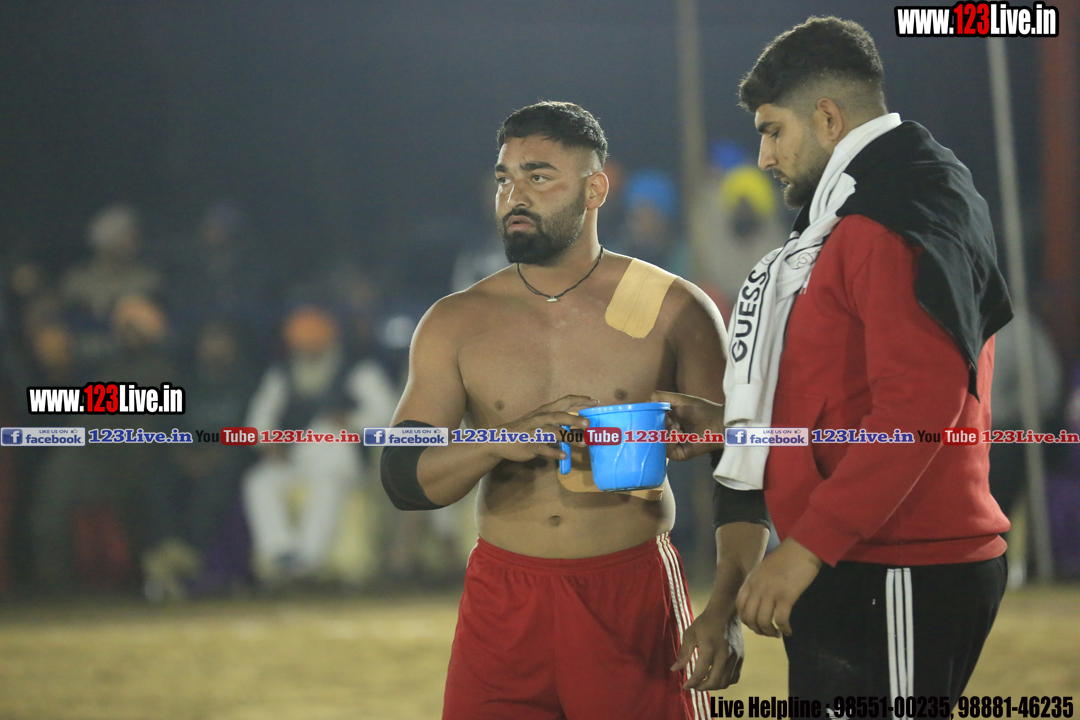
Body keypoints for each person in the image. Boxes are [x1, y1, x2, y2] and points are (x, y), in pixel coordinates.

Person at [656, 17, 1013, 704]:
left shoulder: (886, 217)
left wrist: (808, 546)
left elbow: (918, 407)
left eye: (773, 131)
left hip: (895, 561)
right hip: (867, 558)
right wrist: (730, 422)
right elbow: (841, 395)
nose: (763, 157)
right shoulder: (872, 209)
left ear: (827, 117)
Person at [382, 101, 729, 719]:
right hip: (504, 604)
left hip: (631, 596)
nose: (514, 195)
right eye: (504, 179)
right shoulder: (457, 320)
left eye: (538, 177)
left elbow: (741, 470)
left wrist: (726, 607)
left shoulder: (672, 306)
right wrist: (495, 441)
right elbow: (403, 478)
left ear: (595, 190)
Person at [243, 305, 397, 585]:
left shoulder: (358, 368)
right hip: (295, 457)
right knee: (258, 481)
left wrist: (352, 420)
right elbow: (258, 421)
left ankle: (308, 559)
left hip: (341, 458)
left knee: (328, 484)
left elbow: (389, 414)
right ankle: (281, 553)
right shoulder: (283, 373)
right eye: (303, 346)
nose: (308, 351)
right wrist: (270, 443)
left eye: (314, 344)